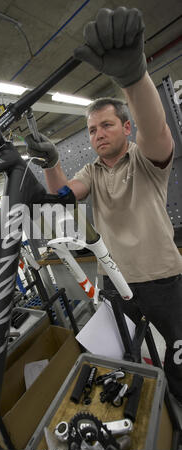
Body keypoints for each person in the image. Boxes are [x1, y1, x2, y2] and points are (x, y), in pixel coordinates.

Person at [26, 7, 182, 406]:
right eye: (92, 129)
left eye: (106, 125)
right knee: (126, 367)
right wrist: (51, 164)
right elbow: (66, 196)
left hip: (164, 280)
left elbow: (158, 131)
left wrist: (134, 79)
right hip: (116, 283)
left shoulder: (146, 159)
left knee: (179, 364)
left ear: (125, 128)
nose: (97, 135)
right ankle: (150, 417)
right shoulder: (92, 172)